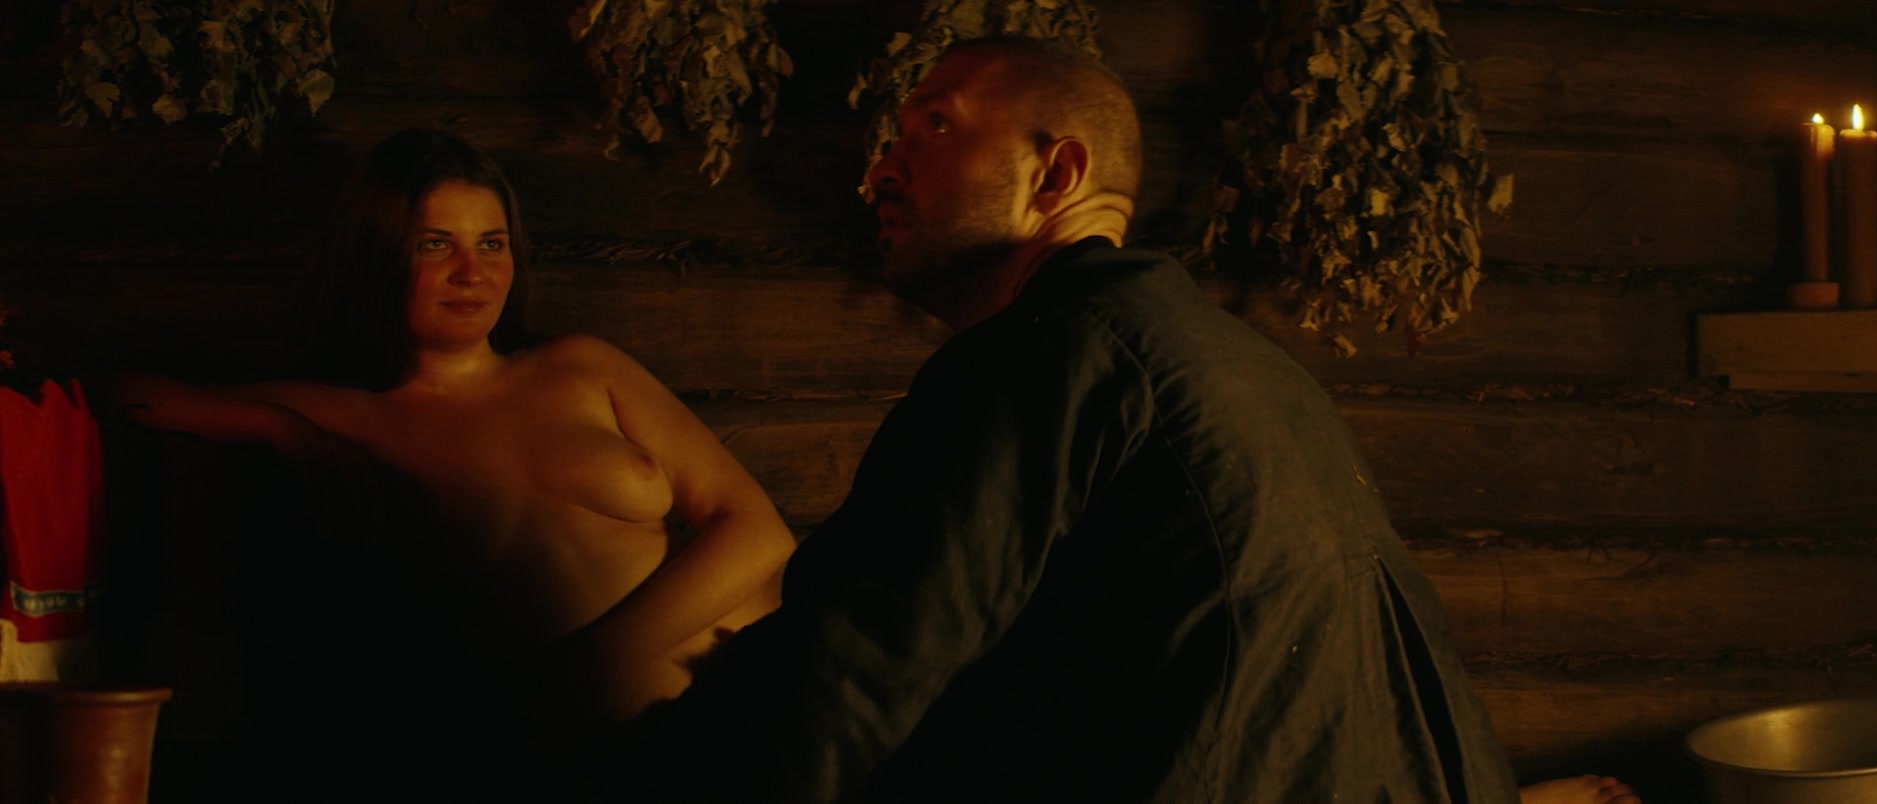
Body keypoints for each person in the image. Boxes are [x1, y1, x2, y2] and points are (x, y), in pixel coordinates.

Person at [575, 36, 1636, 804]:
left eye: (934, 127)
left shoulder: (1051, 354)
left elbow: (851, 673)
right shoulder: (1236, 363)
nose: (882, 167)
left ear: (1057, 174)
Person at [111, 129, 794, 794]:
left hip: (764, 716)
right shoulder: (343, 413)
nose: (474, 272)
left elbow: (757, 529)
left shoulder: (583, 367)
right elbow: (123, 394)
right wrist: (282, 429)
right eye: (435, 244)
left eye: (492, 243)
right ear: (378, 255)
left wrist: (592, 663)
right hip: (597, 764)